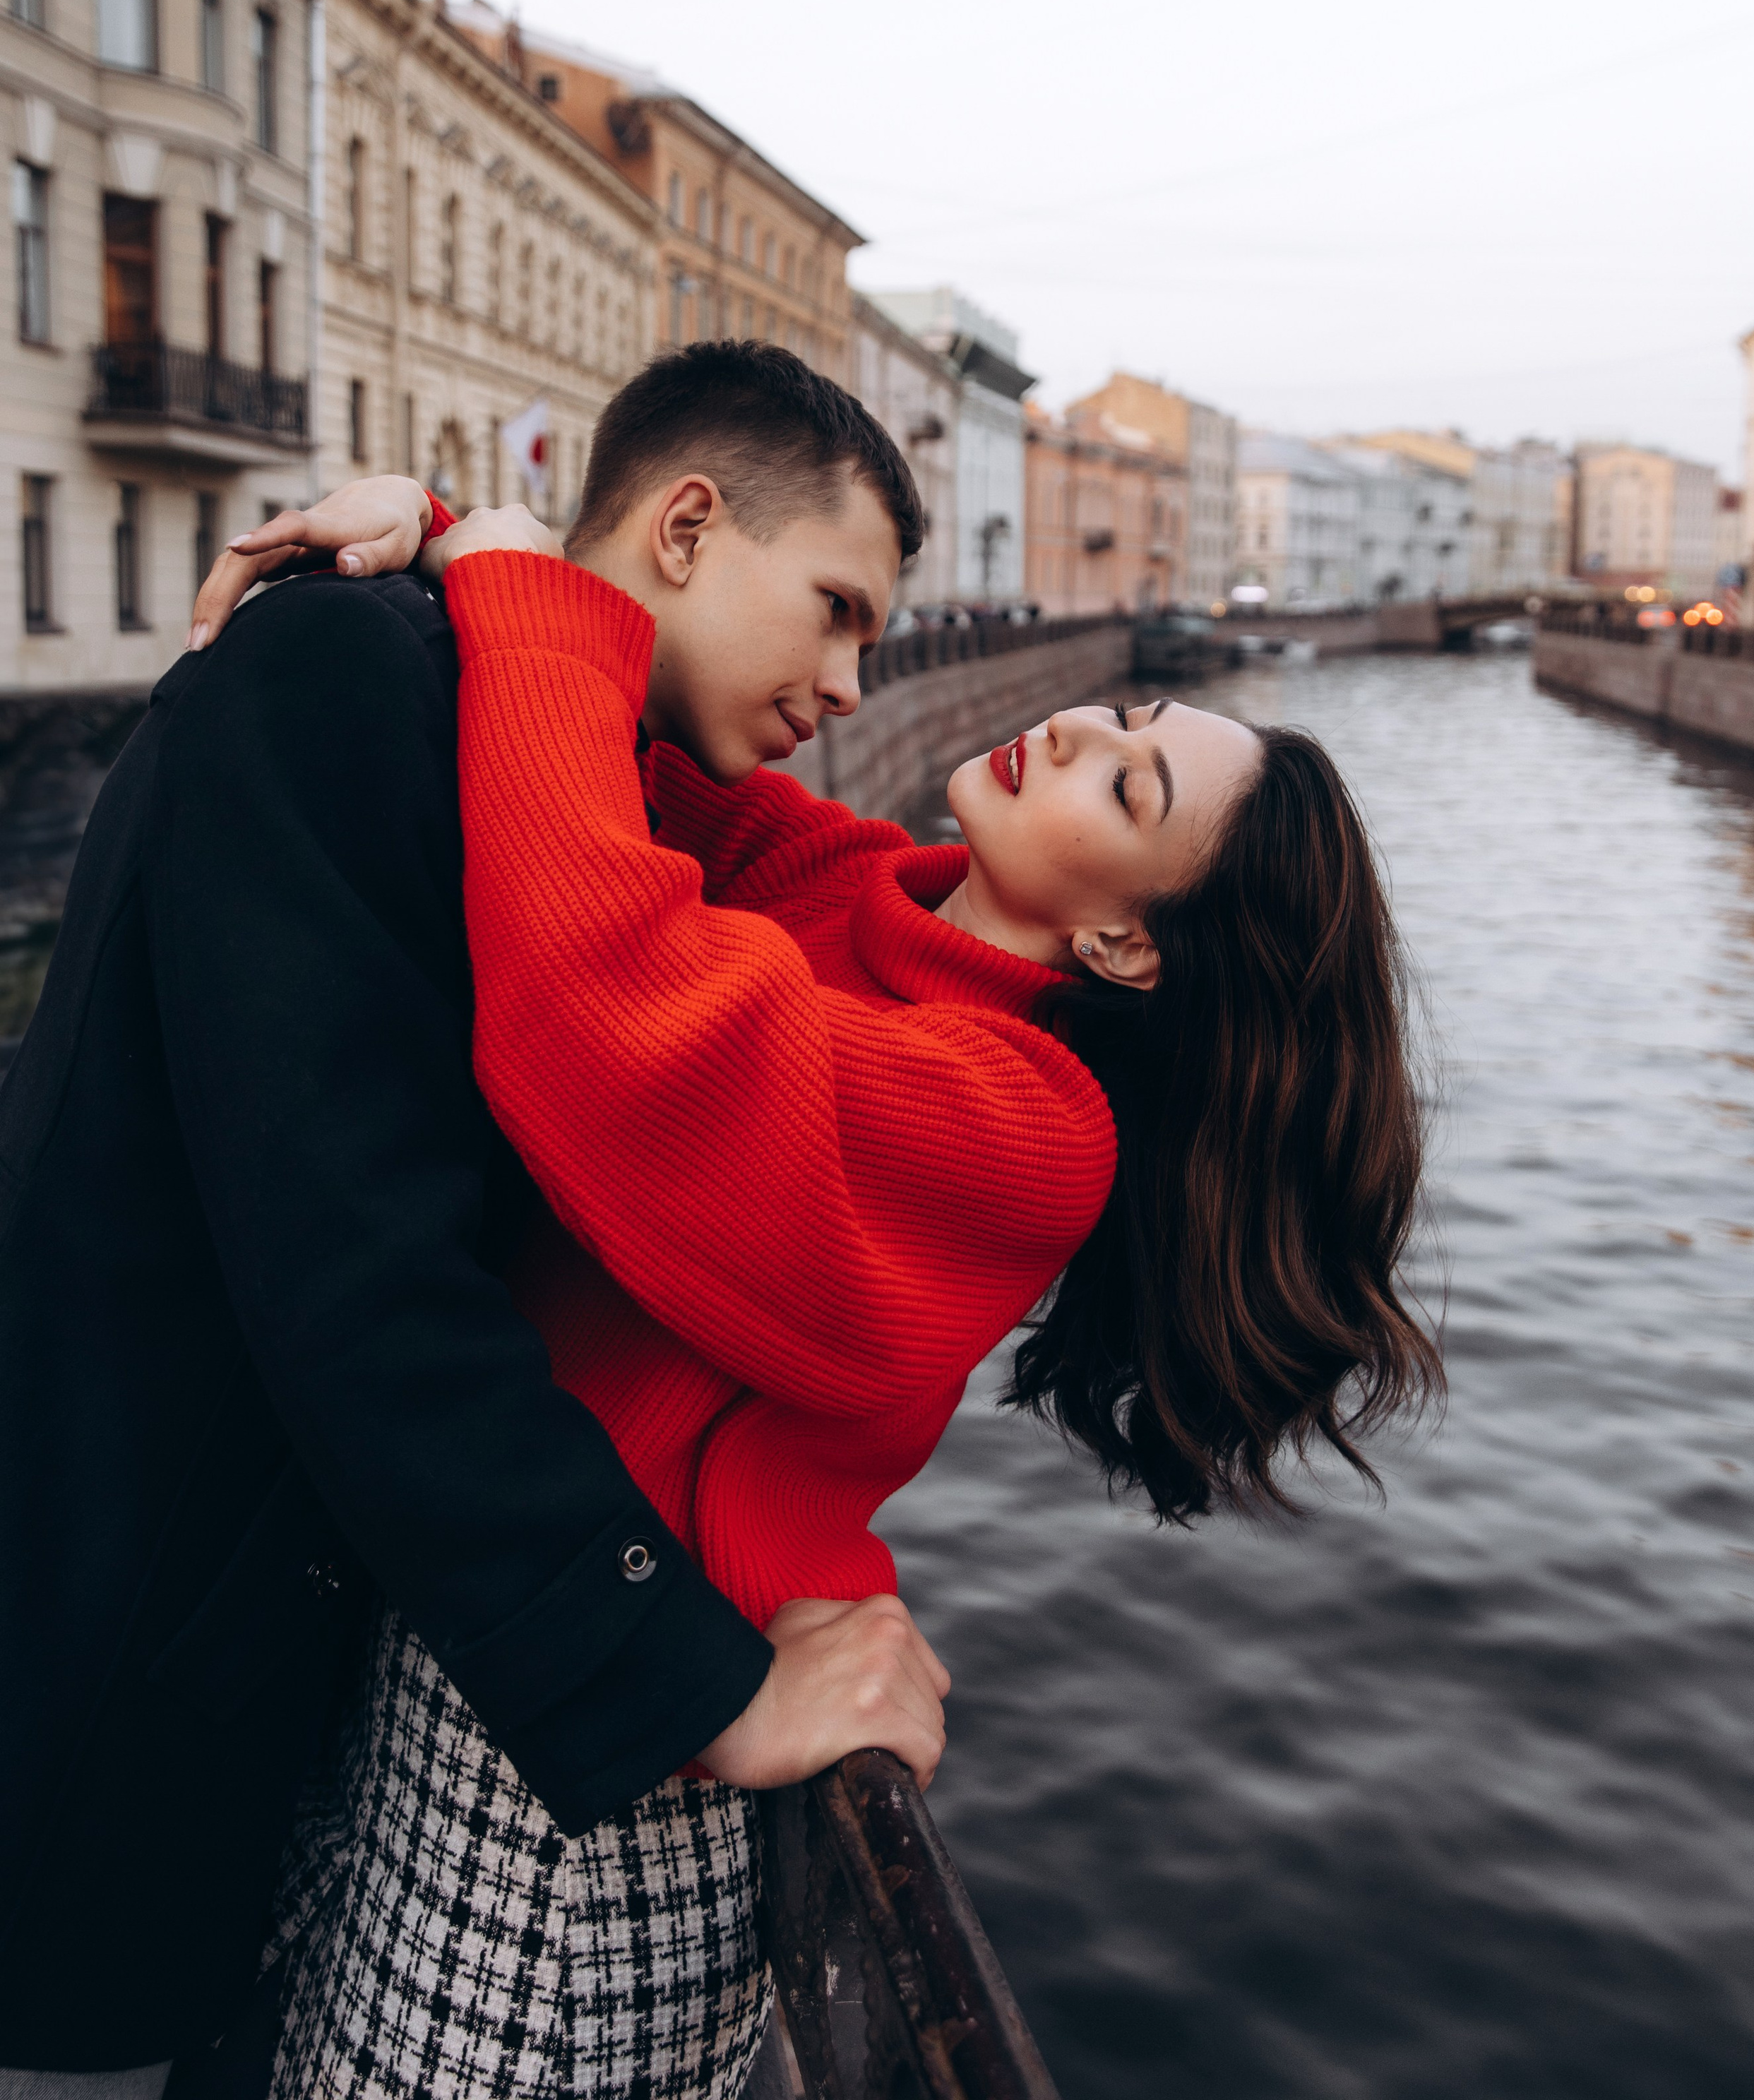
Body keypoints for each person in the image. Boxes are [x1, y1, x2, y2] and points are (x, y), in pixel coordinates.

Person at [203, 350, 1441, 2100]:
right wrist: (433, 535)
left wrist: (502, 570)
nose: (1086, 727)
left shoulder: (1023, 1130)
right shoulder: (854, 890)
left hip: (612, 1775)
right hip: (482, 1642)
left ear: (1127, 950)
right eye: (1134, 726)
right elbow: (607, 720)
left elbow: (597, 1006)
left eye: (1129, 791)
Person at [0, 348, 949, 2100]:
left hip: (204, 1638)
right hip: (98, 1653)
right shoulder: (348, 671)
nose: (844, 681)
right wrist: (689, 1686)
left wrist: (461, 533)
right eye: (834, 610)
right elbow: (356, 1270)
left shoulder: (499, 712)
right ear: (683, 524)